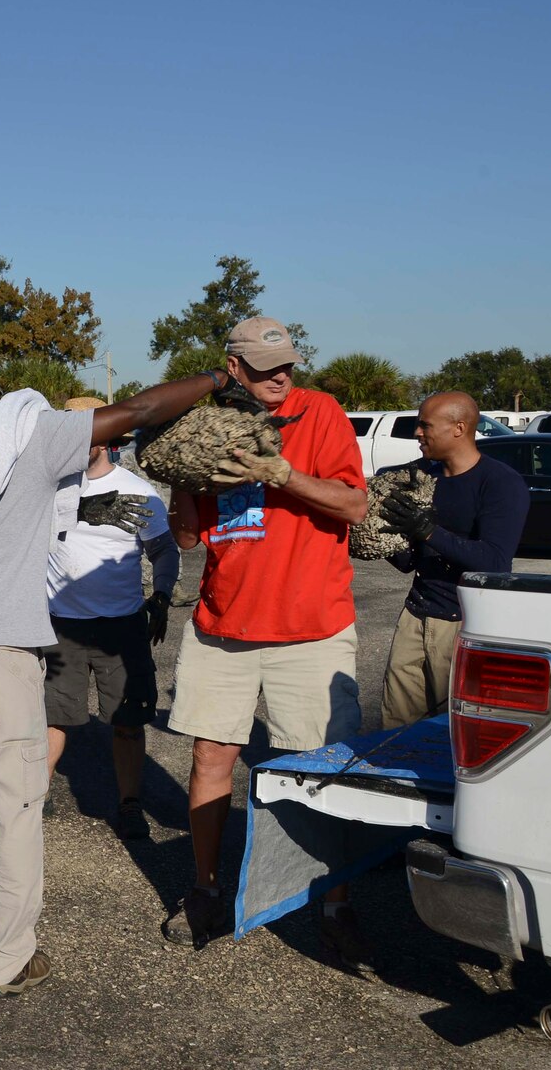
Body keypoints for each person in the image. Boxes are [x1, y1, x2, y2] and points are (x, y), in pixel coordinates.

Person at [0, 350, 239, 993]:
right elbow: (142, 410)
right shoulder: (24, 443)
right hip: (2, 653)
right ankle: (7, 961)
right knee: (13, 809)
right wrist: (216, 380)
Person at [162, 317, 371, 961]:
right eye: (262, 367)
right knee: (209, 760)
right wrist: (186, 479)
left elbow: (353, 506)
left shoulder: (320, 411)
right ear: (233, 368)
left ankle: (334, 904)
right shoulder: (205, 423)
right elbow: (189, 539)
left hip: (312, 628)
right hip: (223, 625)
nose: (280, 376)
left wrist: (280, 473)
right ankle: (206, 889)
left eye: (285, 364)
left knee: (320, 772)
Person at [41, 399, 178, 842]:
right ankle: (33, 797)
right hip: (62, 623)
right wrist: (81, 510)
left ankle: (129, 803)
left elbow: (164, 550)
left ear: (108, 438)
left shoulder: (138, 490)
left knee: (127, 721)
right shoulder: (50, 485)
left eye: (87, 432)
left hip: (121, 625)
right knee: (53, 718)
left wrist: (161, 593)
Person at [376, 391, 527, 729]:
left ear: (459, 428)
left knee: (457, 732)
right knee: (394, 728)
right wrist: (379, 539)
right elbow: (408, 561)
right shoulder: (423, 477)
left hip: (464, 625)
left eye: (425, 425)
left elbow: (494, 561)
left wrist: (429, 531)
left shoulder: (500, 482)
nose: (417, 433)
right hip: (415, 617)